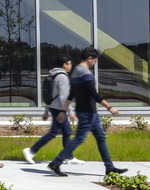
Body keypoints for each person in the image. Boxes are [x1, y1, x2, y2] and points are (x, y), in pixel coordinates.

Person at [49, 47, 130, 177]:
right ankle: (56, 162)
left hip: (88, 111)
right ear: (90, 58)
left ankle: (109, 167)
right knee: (80, 138)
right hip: (88, 111)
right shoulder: (84, 72)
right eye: (95, 60)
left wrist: (64, 110)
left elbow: (72, 93)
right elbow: (92, 92)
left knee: (101, 137)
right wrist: (109, 107)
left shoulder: (76, 70)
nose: (95, 63)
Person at [23, 55, 73, 165]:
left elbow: (50, 94)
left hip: (54, 108)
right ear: (64, 65)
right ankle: (31, 151)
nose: (71, 66)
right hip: (60, 109)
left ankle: (69, 157)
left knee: (65, 132)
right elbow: (64, 97)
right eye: (69, 64)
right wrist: (70, 111)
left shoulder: (54, 75)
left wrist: (46, 110)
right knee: (57, 133)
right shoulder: (63, 77)